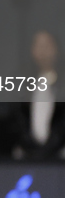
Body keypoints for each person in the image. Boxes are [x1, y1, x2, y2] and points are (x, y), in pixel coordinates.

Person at [13, 30, 65, 160]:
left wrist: (50, 148)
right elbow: (19, 120)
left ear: (57, 49)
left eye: (47, 45)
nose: (43, 51)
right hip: (28, 154)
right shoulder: (23, 85)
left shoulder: (62, 84)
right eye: (38, 45)